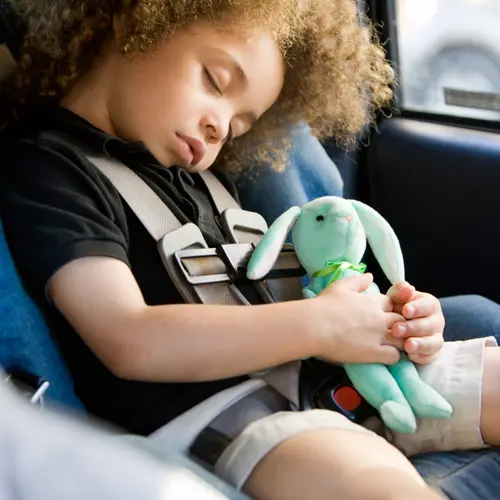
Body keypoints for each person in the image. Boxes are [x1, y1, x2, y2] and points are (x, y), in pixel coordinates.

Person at [0, 1, 499, 498]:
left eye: (239, 126)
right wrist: (323, 324)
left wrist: (392, 324)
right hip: (236, 418)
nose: (220, 128)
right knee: (377, 484)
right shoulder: (51, 171)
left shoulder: (203, 183)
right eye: (215, 81)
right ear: (136, 21)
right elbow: (128, 338)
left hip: (339, 379)